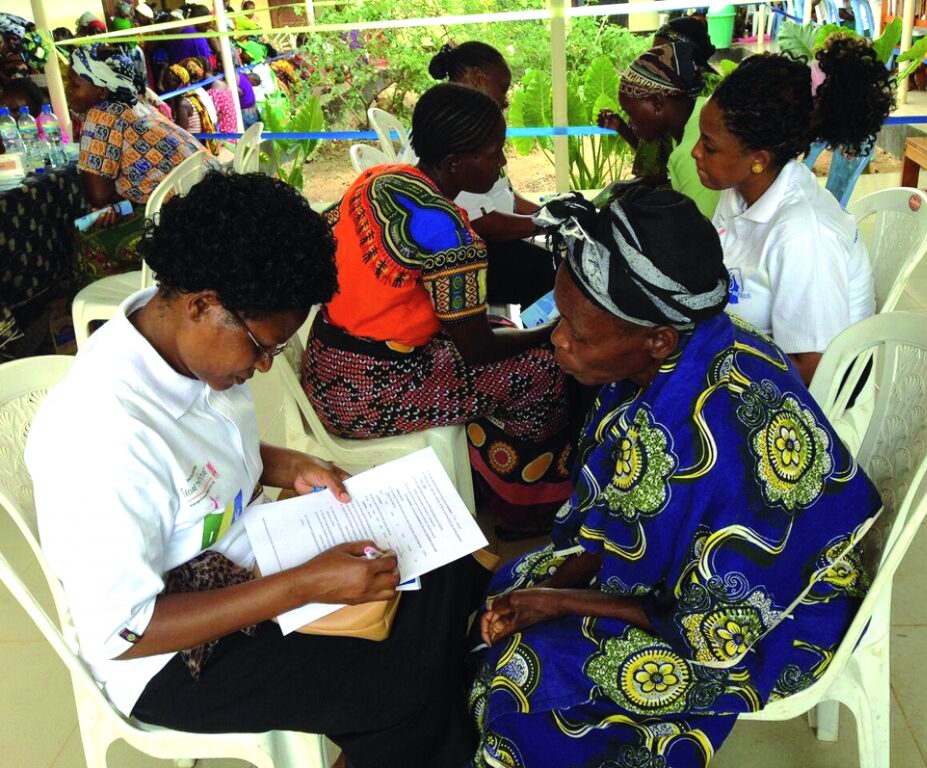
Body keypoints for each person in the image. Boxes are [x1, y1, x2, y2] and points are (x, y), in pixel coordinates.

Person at [26, 171, 490, 768]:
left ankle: (457, 724)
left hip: (247, 558)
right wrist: (305, 585)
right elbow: (127, 630)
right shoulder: (99, 436)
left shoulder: (196, 354)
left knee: (442, 575)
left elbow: (197, 459)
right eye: (263, 347)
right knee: (396, 694)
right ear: (201, 306)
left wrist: (285, 463)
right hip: (171, 653)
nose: (268, 367)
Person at [468, 186, 883, 768]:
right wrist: (560, 582)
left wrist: (560, 602)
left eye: (577, 332)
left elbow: (712, 626)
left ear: (656, 340)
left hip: (778, 621)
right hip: (685, 592)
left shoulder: (721, 429)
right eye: (560, 316)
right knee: (513, 582)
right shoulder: (673, 352)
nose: (558, 337)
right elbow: (620, 513)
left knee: (530, 669)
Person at [303, 83, 576, 539]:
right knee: (545, 371)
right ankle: (519, 509)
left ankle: (488, 467)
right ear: (454, 164)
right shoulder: (452, 237)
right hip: (374, 393)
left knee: (502, 325)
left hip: (328, 366)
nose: (504, 162)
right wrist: (550, 331)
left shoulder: (378, 180)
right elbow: (478, 350)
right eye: (494, 153)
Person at [692, 39, 894, 384]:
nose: (696, 152)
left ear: (759, 160)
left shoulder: (803, 235)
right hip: (740, 363)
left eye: (709, 147)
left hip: (802, 408)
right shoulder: (742, 190)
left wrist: (701, 372)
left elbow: (810, 370)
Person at [67, 43, 208, 283]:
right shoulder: (140, 106)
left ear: (102, 91)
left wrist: (116, 205)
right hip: (207, 202)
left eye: (75, 85)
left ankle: (115, 313)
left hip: (187, 220)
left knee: (88, 240)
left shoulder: (101, 114)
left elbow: (98, 197)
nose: (69, 91)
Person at [426, 41, 554, 307]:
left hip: (480, 242)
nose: (506, 101)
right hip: (467, 251)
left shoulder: (473, 125)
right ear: (477, 79)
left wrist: (546, 213)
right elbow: (479, 223)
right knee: (544, 270)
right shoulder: (455, 131)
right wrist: (546, 223)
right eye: (503, 88)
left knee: (549, 263)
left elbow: (502, 193)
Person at [598, 17, 720, 213]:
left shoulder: (696, 146)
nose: (655, 62)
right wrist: (621, 128)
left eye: (662, 55)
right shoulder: (683, 112)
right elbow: (653, 161)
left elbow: (698, 228)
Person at [162, 63, 220, 154]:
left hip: (193, 149)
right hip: (196, 145)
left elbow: (180, 134)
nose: (164, 86)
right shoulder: (191, 96)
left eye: (167, 83)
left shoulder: (182, 103)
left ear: (180, 82)